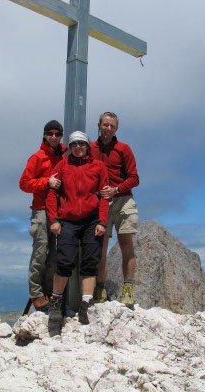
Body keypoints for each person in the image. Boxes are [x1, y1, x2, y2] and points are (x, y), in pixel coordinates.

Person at [45, 131, 109, 333]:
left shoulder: (98, 166)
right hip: (68, 221)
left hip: (92, 221)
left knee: (90, 262)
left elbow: (105, 195)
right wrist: (54, 220)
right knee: (64, 262)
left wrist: (103, 222)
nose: (78, 147)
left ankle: (86, 305)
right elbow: (52, 193)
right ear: (70, 147)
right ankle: (56, 305)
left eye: (82, 144)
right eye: (74, 144)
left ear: (88, 146)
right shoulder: (62, 166)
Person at [90, 112, 139, 309]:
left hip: (123, 200)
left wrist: (116, 189)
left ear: (116, 128)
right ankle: (100, 287)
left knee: (126, 245)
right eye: (105, 125)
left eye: (112, 126)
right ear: (99, 125)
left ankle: (128, 289)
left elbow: (135, 178)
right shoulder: (90, 149)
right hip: (101, 203)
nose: (108, 128)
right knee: (100, 248)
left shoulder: (124, 149)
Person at [19, 120, 66, 312]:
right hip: (40, 210)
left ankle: (48, 293)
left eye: (57, 134)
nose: (54, 137)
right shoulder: (37, 157)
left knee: (55, 255)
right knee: (40, 252)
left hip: (59, 212)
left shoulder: (66, 155)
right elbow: (24, 183)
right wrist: (47, 182)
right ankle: (36, 294)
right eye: (50, 133)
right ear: (45, 135)